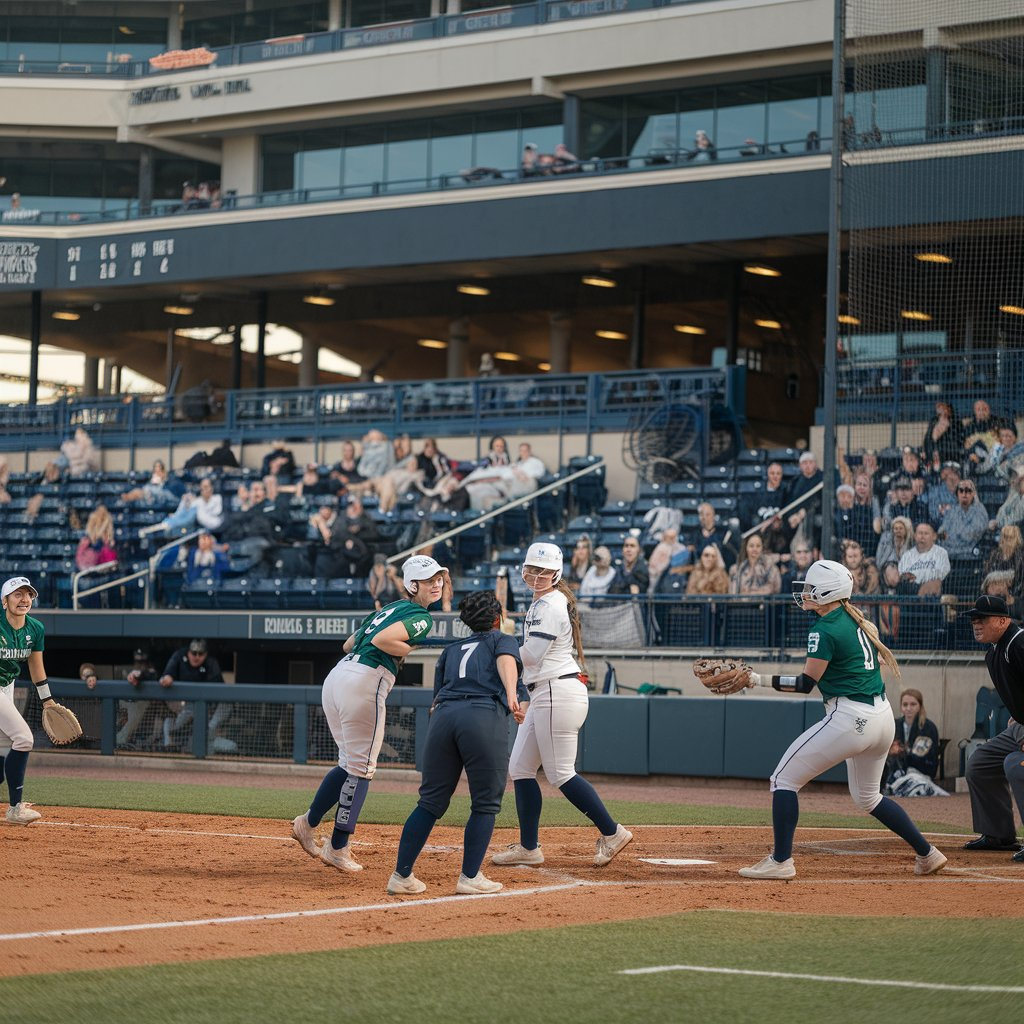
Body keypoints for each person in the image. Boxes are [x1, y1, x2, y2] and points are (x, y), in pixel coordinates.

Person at [725, 560, 946, 879]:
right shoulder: (859, 620)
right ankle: (927, 853)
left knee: (783, 780)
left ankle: (781, 861)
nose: (805, 593)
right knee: (869, 797)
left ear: (829, 591)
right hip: (882, 716)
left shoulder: (825, 628)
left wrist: (755, 679)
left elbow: (804, 684)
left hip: (851, 716)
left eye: (811, 588)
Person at [291, 556, 450, 872]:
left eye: (439, 578)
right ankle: (338, 846)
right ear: (412, 585)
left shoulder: (389, 607)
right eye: (429, 579)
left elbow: (349, 642)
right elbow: (382, 640)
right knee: (362, 769)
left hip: (339, 676)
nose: (437, 584)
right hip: (365, 680)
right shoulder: (421, 616)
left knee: (349, 763)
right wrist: (414, 648)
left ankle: (307, 824)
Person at [491, 542, 633, 869]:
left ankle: (612, 832)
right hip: (547, 692)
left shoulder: (551, 604)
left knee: (560, 774)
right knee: (521, 769)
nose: (537, 576)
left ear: (556, 573)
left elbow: (532, 655)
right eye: (532, 570)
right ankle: (529, 847)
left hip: (557, 692)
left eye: (544, 571)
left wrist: (498, 649)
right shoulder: (543, 602)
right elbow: (531, 660)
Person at [387, 592, 526, 895]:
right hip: (481, 717)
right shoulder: (501, 639)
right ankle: (470, 876)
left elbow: (436, 700)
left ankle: (401, 875)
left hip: (443, 719)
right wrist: (512, 693)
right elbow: (505, 660)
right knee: (485, 802)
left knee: (430, 802)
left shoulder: (451, 650)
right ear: (496, 619)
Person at [961, 595, 1024, 860]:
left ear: (1002, 620)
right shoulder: (995, 650)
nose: (976, 623)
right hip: (1020, 726)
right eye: (974, 619)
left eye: (982, 619)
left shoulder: (1019, 643)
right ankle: (998, 834)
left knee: (1015, 767)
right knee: (979, 763)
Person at [0, 577, 56, 825]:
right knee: (24, 738)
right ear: (4, 601)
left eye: (28, 595)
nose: (24, 600)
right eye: (17, 595)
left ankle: (13, 804)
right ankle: (15, 809)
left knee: (2, 754)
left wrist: (48, 701)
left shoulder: (35, 628)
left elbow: (36, 668)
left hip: (7, 685)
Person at [157, 639, 231, 750]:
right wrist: (168, 676)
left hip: (207, 707)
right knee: (179, 721)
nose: (196, 657)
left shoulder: (211, 662)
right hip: (184, 705)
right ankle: (169, 744)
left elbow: (219, 689)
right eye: (193, 653)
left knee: (226, 703)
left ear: (206, 654)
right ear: (188, 652)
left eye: (200, 654)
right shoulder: (179, 655)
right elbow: (167, 674)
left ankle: (208, 731)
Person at [884, 688, 940, 788]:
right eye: (905, 704)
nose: (908, 708)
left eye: (913, 704)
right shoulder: (894, 725)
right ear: (901, 707)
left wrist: (901, 751)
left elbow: (920, 757)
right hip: (895, 772)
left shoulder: (928, 727)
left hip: (920, 773)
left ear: (920, 706)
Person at [938, 478, 988, 558]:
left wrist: (953, 533)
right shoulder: (953, 510)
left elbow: (971, 535)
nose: (964, 494)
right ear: (957, 494)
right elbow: (942, 531)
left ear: (973, 494)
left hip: (969, 553)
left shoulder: (980, 510)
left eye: (968, 491)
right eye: (961, 491)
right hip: (949, 552)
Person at [896, 522, 950, 596]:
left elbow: (943, 575)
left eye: (926, 533)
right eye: (920, 533)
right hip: (911, 594)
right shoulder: (907, 555)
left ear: (934, 536)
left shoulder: (941, 553)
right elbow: (902, 576)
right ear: (915, 536)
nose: (922, 537)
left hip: (933, 595)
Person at [922, 401, 965, 469]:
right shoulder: (934, 420)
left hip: (951, 457)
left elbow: (958, 441)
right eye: (938, 407)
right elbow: (927, 439)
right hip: (934, 456)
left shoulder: (956, 421)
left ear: (948, 408)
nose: (940, 409)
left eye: (942, 407)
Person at [647, 527, 690, 592]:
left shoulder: (682, 549)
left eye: (673, 537)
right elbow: (652, 566)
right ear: (664, 537)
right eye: (669, 537)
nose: (672, 539)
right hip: (660, 578)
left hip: (677, 578)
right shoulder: (660, 548)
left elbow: (687, 566)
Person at [75, 504, 117, 571]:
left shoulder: (108, 540)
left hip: (105, 569)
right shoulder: (86, 541)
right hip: (89, 567)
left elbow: (111, 564)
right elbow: (81, 562)